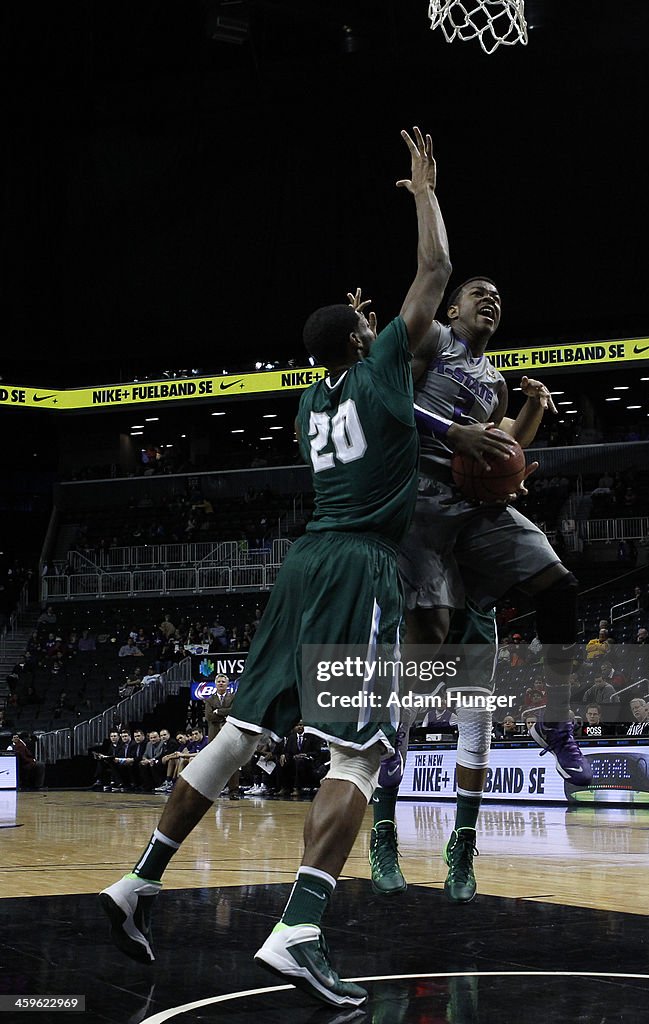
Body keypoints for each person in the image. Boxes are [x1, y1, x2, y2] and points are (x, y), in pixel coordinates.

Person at [99, 126, 451, 1009]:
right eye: (372, 327)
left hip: (302, 564)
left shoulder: (309, 403)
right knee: (361, 755)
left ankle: (138, 880)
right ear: (366, 343)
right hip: (358, 565)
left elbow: (365, 366)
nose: (383, 327)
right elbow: (436, 274)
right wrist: (423, 198)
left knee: (239, 732)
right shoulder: (379, 371)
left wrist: (359, 330)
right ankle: (298, 930)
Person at [368, 275, 591, 903]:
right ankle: (383, 825)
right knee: (423, 658)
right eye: (479, 293)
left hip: (472, 517)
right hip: (419, 508)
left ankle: (551, 726)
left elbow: (499, 455)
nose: (491, 300)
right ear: (451, 307)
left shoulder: (493, 379)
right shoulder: (431, 340)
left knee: (560, 585)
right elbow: (385, 399)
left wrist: (532, 414)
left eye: (499, 295)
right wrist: (449, 432)